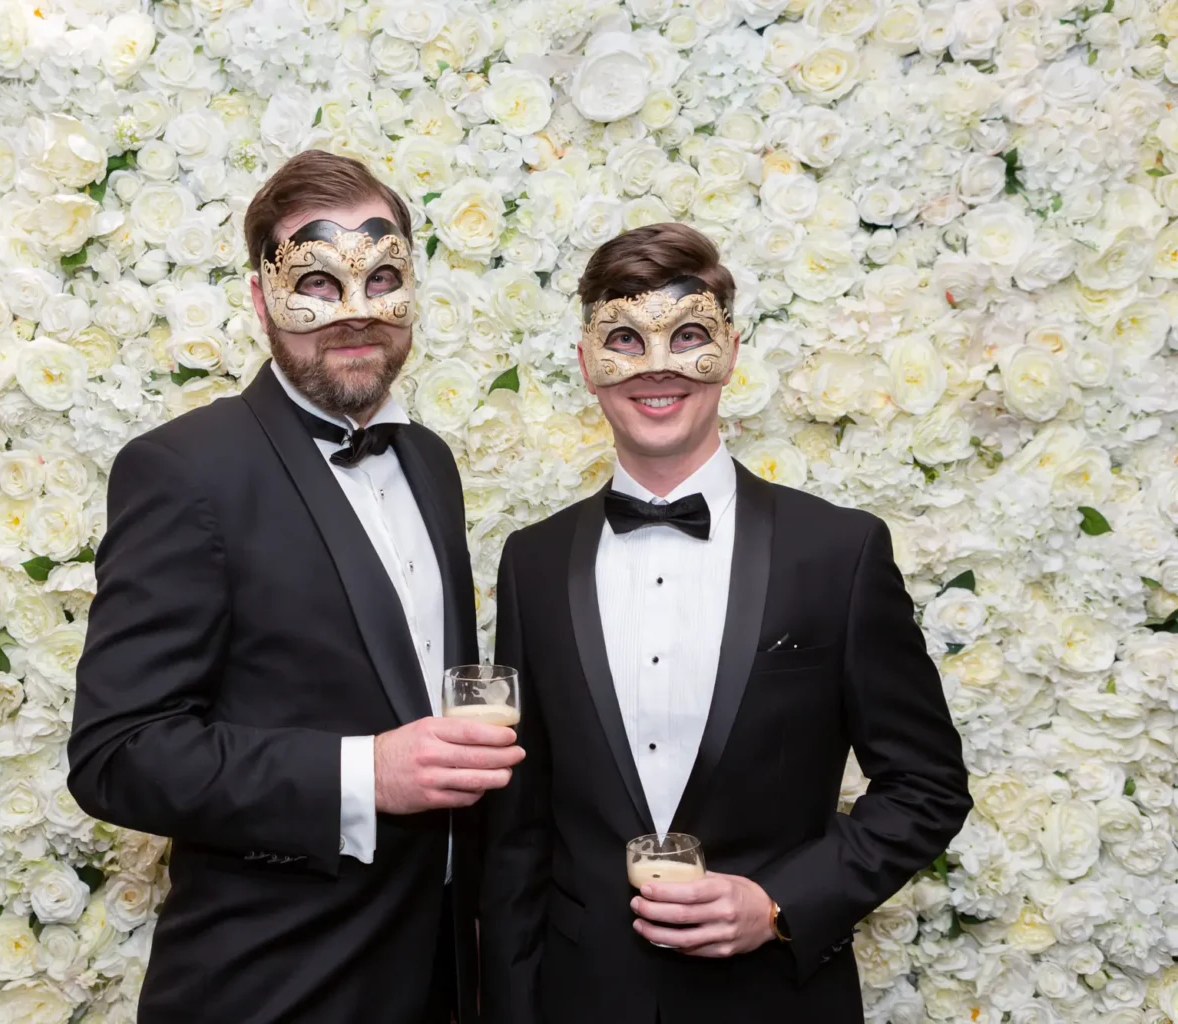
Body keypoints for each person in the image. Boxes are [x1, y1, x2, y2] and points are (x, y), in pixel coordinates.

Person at [69, 150, 522, 1023]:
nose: (355, 315)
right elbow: (117, 755)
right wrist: (364, 772)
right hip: (273, 984)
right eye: (316, 283)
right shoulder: (184, 470)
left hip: (437, 973)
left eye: (382, 277)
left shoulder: (429, 463)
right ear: (258, 299)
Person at [478, 222, 972, 1023]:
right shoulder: (531, 563)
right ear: (586, 363)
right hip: (582, 998)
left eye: (690, 336)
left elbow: (926, 786)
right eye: (626, 340)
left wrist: (781, 903)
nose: (659, 366)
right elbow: (516, 831)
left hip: (775, 999)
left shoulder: (838, 552)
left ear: (732, 351)